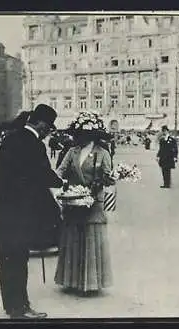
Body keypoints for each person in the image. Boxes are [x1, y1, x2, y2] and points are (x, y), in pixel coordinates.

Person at [0, 104, 64, 319]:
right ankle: (21, 309)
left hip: (2, 208)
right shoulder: (35, 145)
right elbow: (44, 175)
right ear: (40, 124)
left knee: (6, 258)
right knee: (19, 259)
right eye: (48, 127)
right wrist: (62, 183)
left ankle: (11, 306)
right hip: (21, 210)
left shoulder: (10, 138)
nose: (49, 131)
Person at [54, 111, 115, 296]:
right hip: (73, 201)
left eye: (84, 134)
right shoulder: (72, 152)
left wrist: (101, 183)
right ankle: (71, 281)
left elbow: (109, 177)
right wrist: (60, 186)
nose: (80, 137)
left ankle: (90, 283)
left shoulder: (103, 153)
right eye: (78, 134)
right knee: (73, 238)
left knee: (90, 238)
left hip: (93, 203)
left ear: (93, 135)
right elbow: (60, 171)